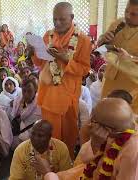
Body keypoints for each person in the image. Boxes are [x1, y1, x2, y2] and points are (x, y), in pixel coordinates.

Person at [31, 2, 91, 156]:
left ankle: (66, 167)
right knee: (50, 137)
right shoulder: (47, 36)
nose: (57, 23)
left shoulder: (83, 40)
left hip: (68, 97)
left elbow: (84, 70)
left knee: (68, 137)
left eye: (62, 20)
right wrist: (33, 52)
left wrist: (66, 60)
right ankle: (50, 168)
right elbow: (39, 63)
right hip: (48, 96)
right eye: (54, 19)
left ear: (71, 18)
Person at [33, 98, 138, 180]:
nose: (90, 124)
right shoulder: (112, 132)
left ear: (107, 129)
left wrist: (47, 173)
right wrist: (96, 142)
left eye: (94, 121)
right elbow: (83, 159)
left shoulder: (132, 154)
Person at [99, 0, 138, 114]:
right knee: (105, 114)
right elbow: (102, 43)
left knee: (124, 120)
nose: (127, 16)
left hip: (131, 86)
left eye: (133, 14)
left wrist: (129, 57)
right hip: (110, 81)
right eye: (126, 11)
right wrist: (103, 39)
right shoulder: (118, 23)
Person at [10, 77, 42, 148]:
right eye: (24, 91)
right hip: (18, 136)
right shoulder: (18, 100)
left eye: (30, 91)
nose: (26, 94)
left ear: (35, 91)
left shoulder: (40, 105)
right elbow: (14, 117)